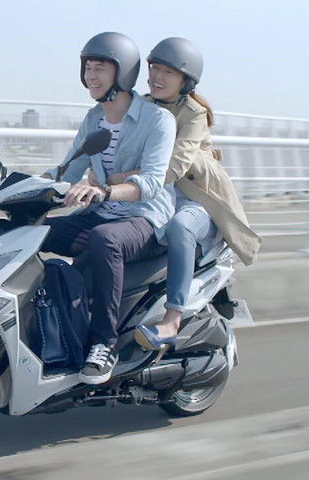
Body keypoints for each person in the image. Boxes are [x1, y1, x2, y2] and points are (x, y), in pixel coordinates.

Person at [41, 32, 176, 384]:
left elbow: (152, 182)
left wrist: (105, 191)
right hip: (101, 213)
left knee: (105, 239)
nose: (92, 76)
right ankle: (48, 326)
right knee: (35, 232)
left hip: (145, 219)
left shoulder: (158, 120)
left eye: (100, 67)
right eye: (88, 67)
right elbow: (69, 170)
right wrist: (29, 185)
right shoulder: (93, 119)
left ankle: (104, 344)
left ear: (123, 72)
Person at [134, 37, 261, 349]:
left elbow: (176, 164)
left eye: (168, 72)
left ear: (185, 81)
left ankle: (171, 319)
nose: (157, 77)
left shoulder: (193, 113)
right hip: (160, 195)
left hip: (197, 199)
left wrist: (125, 182)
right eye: (154, 68)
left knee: (179, 227)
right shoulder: (143, 105)